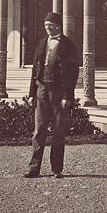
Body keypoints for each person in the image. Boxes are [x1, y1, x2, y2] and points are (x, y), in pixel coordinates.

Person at [24, 11, 80, 179]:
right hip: (41, 88)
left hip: (58, 91)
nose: (47, 28)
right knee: (39, 129)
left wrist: (67, 96)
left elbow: (72, 73)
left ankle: (57, 168)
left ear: (58, 26)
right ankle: (34, 168)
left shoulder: (69, 45)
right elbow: (35, 69)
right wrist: (32, 93)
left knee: (58, 130)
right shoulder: (41, 43)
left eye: (50, 25)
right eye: (45, 25)